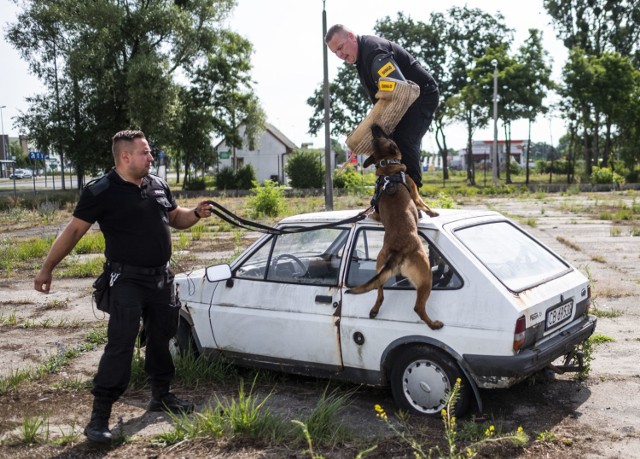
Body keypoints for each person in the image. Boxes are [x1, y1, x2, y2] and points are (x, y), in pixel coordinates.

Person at [34, 129, 215, 444]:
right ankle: (99, 417)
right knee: (120, 344)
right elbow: (74, 231)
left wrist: (196, 213)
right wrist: (47, 269)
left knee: (161, 338)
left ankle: (161, 395)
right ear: (125, 156)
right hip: (126, 279)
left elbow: (176, 218)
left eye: (149, 151)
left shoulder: (157, 184)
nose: (151, 156)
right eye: (145, 152)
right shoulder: (101, 191)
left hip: (162, 278)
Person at [325, 24, 439, 188]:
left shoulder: (373, 52)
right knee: (389, 143)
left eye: (341, 47)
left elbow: (400, 90)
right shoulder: (361, 57)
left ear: (351, 36)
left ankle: (413, 198)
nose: (340, 54)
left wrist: (381, 126)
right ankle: (396, 190)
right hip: (406, 100)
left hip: (422, 96)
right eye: (335, 52)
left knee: (404, 141)